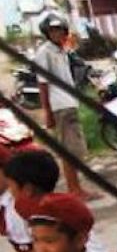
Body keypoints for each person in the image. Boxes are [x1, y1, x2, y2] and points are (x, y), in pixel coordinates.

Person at [33, 12, 99, 201]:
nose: (57, 33)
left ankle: (76, 187)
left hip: (69, 103)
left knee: (74, 150)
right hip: (59, 106)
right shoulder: (44, 53)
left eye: (60, 30)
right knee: (69, 151)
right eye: (53, 30)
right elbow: (43, 83)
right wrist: (47, 112)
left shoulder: (61, 50)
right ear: (47, 32)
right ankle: (74, 189)